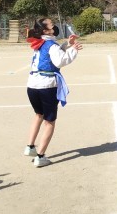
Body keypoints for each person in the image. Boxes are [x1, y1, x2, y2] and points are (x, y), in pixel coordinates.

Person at [24, 18, 82, 167]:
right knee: (49, 122)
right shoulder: (51, 45)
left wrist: (67, 44)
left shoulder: (40, 43)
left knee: (38, 115)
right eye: (51, 24)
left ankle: (30, 146)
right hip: (47, 86)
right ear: (46, 30)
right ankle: (40, 157)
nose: (54, 25)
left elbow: (52, 54)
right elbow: (59, 61)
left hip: (32, 85)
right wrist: (74, 50)